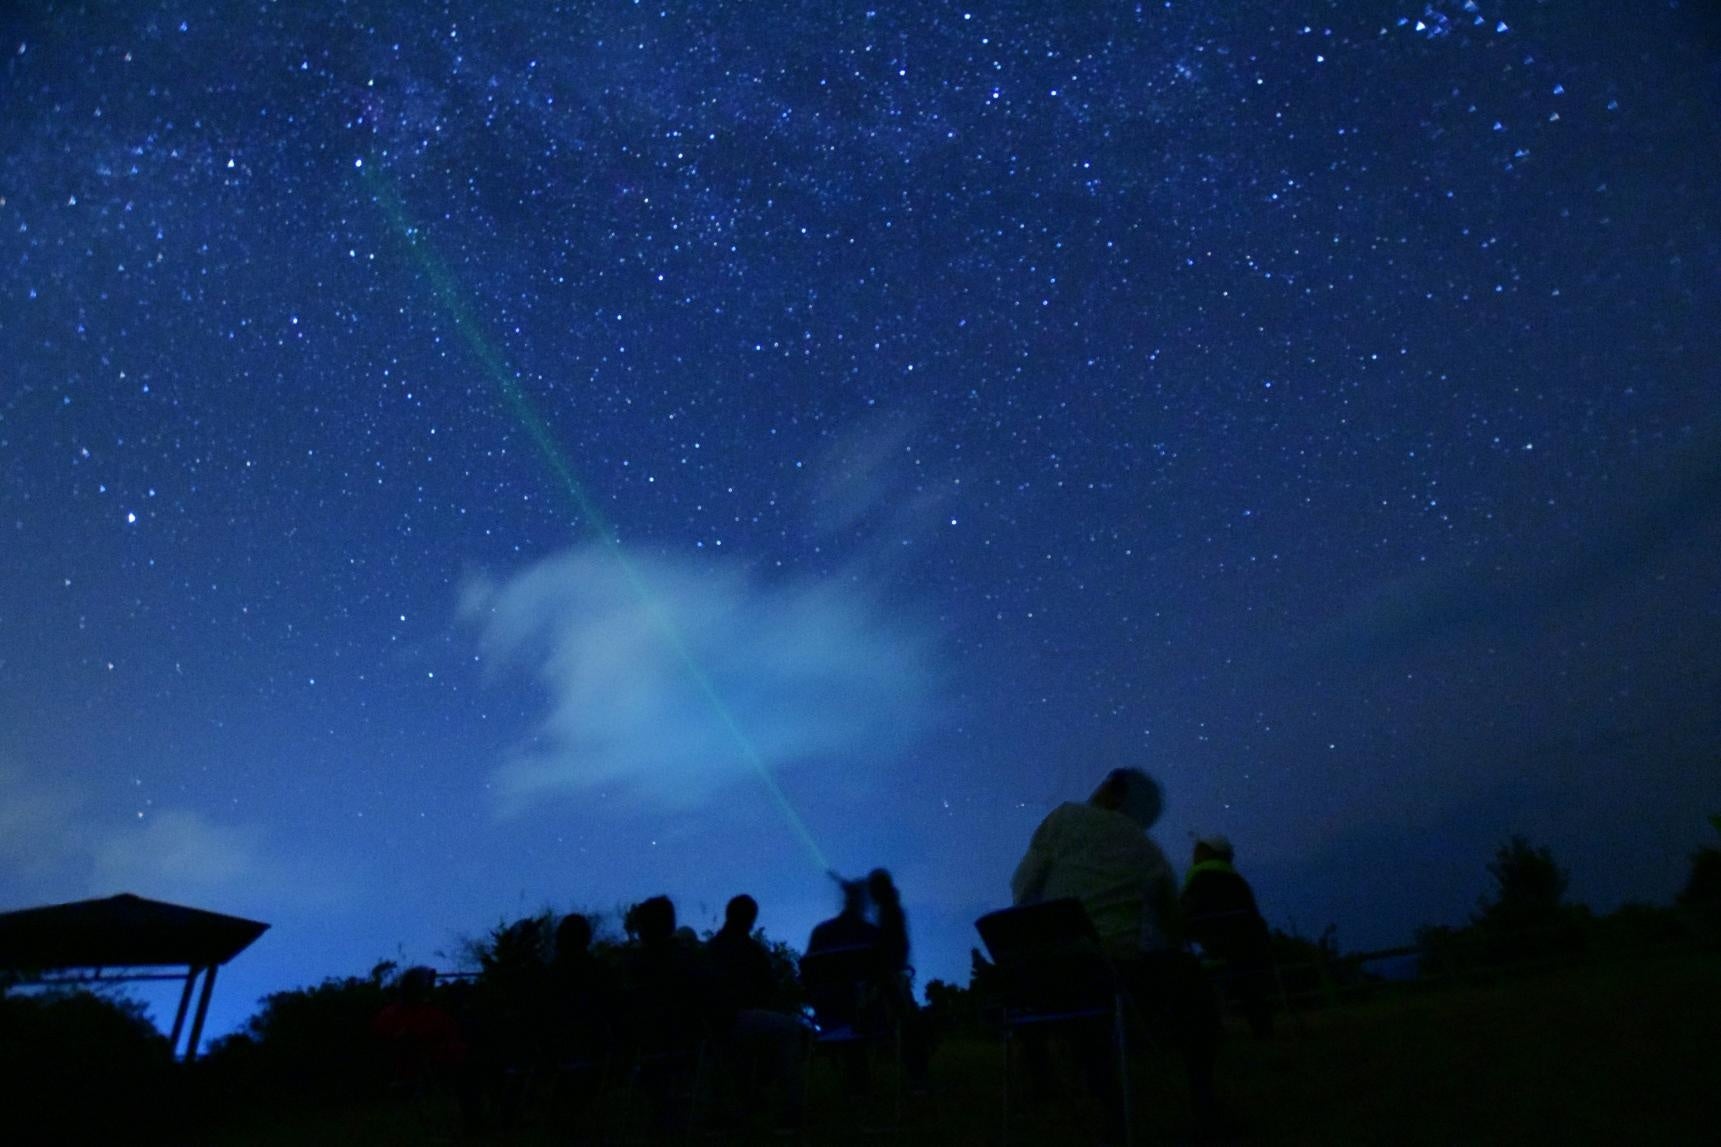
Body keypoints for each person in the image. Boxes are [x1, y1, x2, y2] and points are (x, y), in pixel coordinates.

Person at [1011, 767, 1221, 1137]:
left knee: (1090, 989)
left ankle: (1075, 1089)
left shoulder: (1063, 819)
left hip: (1042, 980)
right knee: (1189, 977)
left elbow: (1022, 887)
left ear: (1113, 791)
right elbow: (1172, 929)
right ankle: (1204, 1102)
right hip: (1111, 975)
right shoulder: (1148, 852)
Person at [705, 893, 806, 1131]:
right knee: (790, 1030)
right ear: (750, 920)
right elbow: (769, 990)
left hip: (711, 1024)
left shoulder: (710, 949)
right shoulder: (750, 950)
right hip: (735, 1020)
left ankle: (748, 1097)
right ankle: (791, 1111)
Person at [1181, 836, 1275, 1037]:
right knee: (1251, 986)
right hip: (1249, 944)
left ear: (1208, 853)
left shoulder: (1198, 879)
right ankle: (1263, 1028)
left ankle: (1208, 1030)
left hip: (1214, 946)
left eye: (1199, 849)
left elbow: (1184, 915)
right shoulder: (1237, 881)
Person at [866, 868, 931, 1093]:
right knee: (909, 1024)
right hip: (890, 984)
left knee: (908, 1024)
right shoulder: (891, 912)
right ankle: (917, 1078)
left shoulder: (888, 914)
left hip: (887, 985)